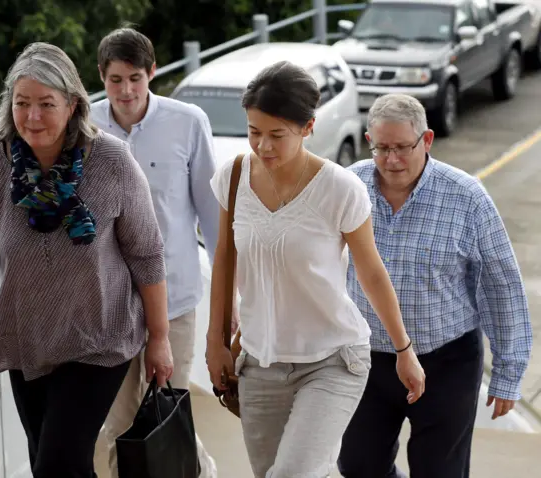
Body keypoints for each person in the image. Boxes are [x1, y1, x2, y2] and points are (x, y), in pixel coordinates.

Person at [0, 42, 173, 478]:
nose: (32, 117)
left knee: (60, 463)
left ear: (74, 104)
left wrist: (160, 337)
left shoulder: (112, 161)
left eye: (46, 104)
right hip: (29, 341)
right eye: (22, 103)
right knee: (51, 465)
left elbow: (146, 254)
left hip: (101, 337)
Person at [205, 61, 426, 478]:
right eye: (254, 132)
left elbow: (372, 272)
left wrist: (403, 350)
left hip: (332, 360)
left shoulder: (340, 189)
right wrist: (215, 339)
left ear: (307, 128)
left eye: (276, 135)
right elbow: (224, 258)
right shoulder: (232, 177)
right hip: (258, 364)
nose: (263, 146)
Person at [337, 93, 533, 478]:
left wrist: (509, 373)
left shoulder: (467, 197)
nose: (391, 160)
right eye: (381, 148)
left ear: (426, 140)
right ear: (368, 140)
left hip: (447, 361)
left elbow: (501, 284)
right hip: (367, 358)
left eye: (402, 148)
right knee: (358, 465)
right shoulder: (347, 186)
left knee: (440, 472)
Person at [89, 27, 219, 478]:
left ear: (153, 73)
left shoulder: (188, 121)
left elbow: (212, 215)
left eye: (135, 78)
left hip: (176, 297)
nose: (126, 91)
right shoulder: (82, 125)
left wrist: (229, 302)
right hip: (108, 305)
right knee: (118, 424)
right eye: (115, 80)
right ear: (101, 78)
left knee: (166, 412)